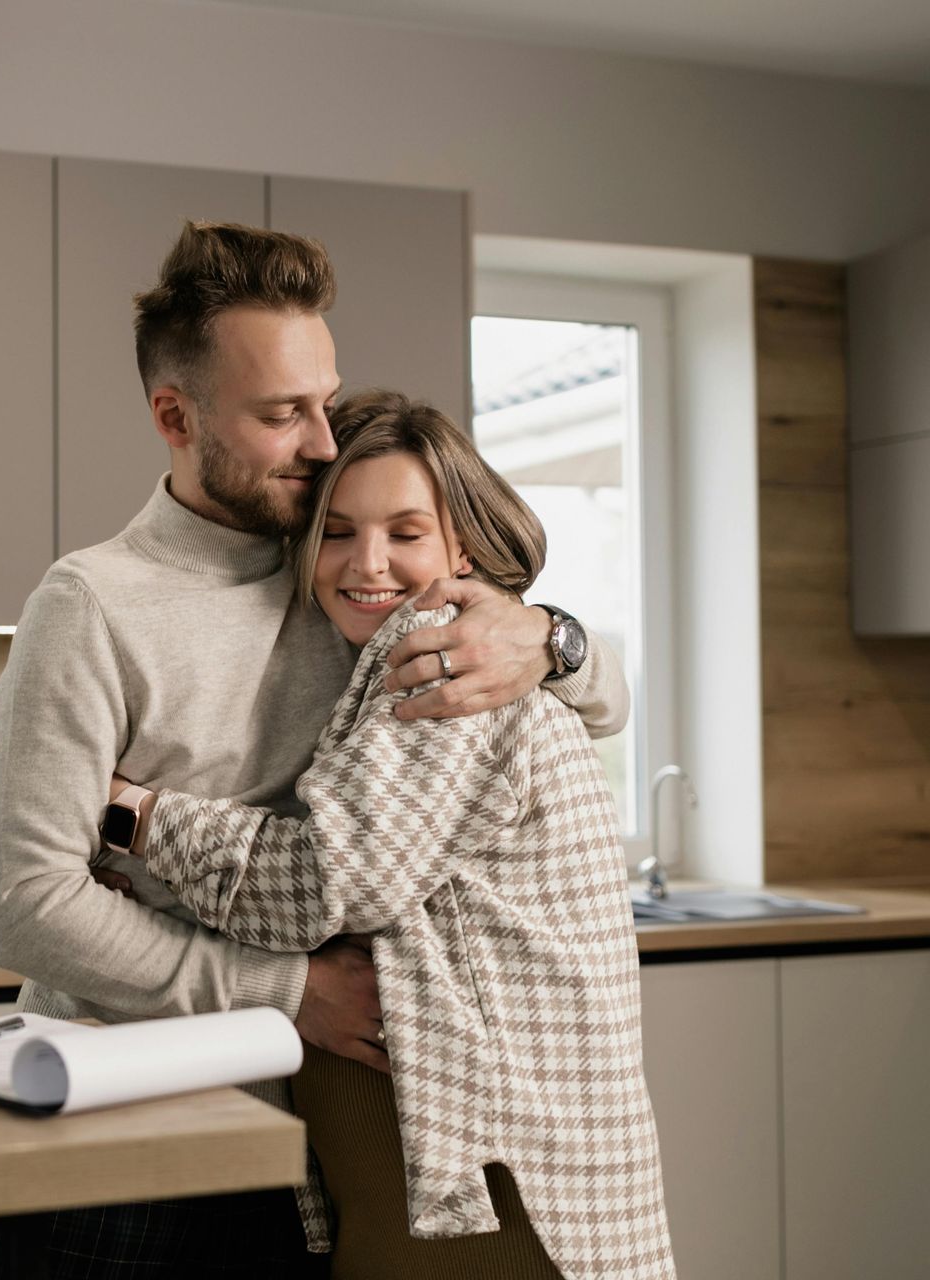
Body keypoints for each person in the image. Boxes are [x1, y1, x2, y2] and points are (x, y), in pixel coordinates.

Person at [0, 221, 630, 1277]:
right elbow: (28, 902)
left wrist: (550, 637)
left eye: (325, 399)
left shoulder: (348, 578)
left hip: (311, 1160)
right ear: (175, 417)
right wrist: (290, 989)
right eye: (283, 414)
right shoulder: (93, 605)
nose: (324, 440)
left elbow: (600, 703)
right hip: (122, 1143)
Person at [114, 389, 677, 1279]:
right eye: (336, 531)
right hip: (421, 1207)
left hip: (498, 1214)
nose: (366, 562)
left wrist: (133, 817)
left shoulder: (442, 654)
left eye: (405, 533)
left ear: (458, 546)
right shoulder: (385, 655)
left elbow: (326, 882)